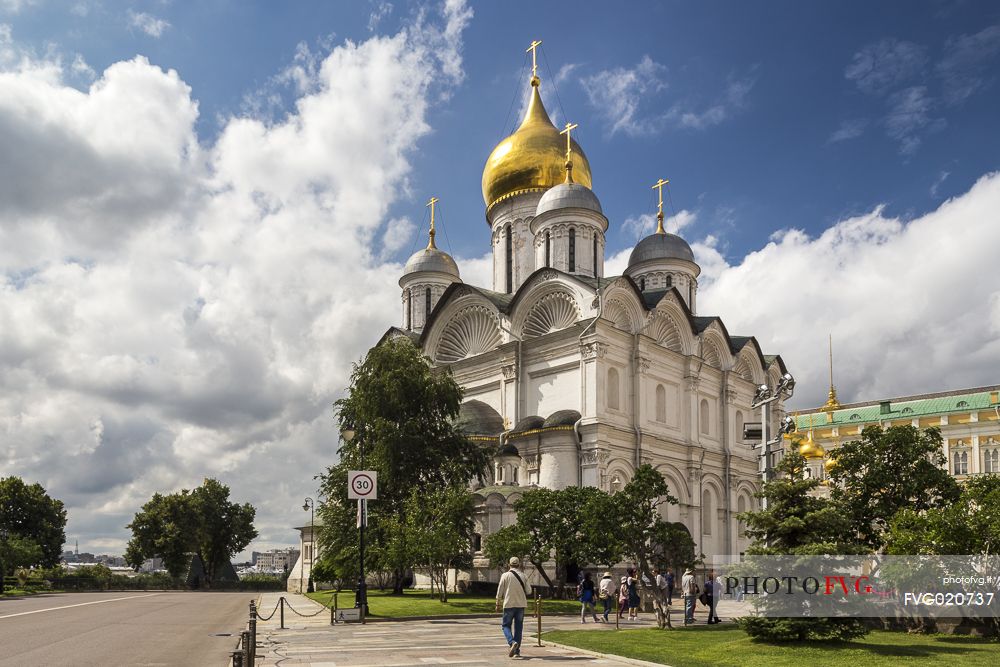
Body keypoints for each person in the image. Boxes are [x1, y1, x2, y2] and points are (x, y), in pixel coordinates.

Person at [495, 556, 531, 658]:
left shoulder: (505, 575)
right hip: (521, 605)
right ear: (519, 565)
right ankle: (517, 651)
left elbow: (500, 591)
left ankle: (512, 642)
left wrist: (497, 603)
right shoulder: (524, 576)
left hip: (509, 604)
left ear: (509, 565)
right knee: (518, 628)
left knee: (506, 626)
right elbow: (529, 591)